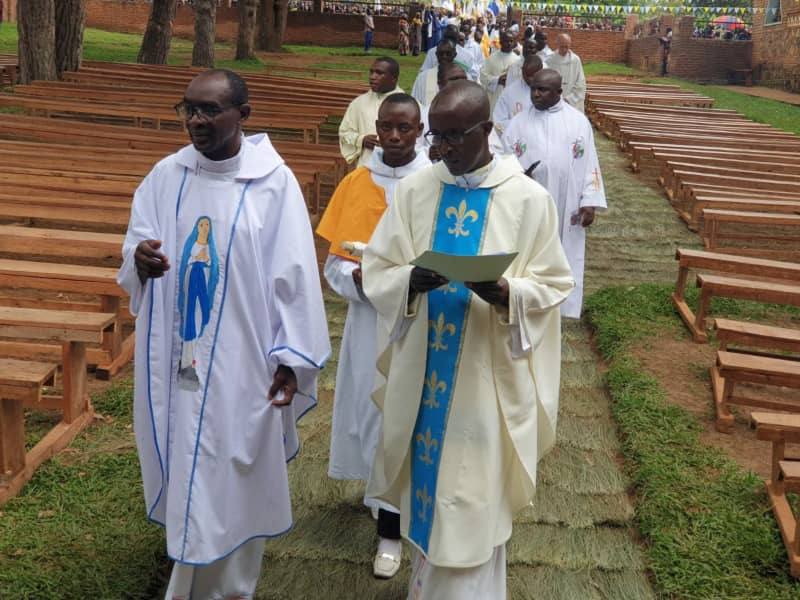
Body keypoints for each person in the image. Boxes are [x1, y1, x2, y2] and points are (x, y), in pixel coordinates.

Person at [117, 69, 331, 600]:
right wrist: (139, 261)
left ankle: (231, 588)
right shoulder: (167, 175)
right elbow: (137, 242)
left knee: (235, 465)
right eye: (188, 109)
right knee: (188, 454)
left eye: (210, 110)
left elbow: (296, 276)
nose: (196, 120)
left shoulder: (272, 183)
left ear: (244, 114)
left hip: (243, 361)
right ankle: (188, 575)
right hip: (177, 356)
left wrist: (292, 361)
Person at [362, 80, 574, 599]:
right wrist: (409, 281)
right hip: (423, 374)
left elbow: (552, 284)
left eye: (456, 136)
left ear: (487, 130)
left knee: (473, 505)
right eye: (438, 136)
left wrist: (506, 293)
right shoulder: (416, 189)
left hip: (486, 380)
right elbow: (379, 265)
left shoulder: (527, 199)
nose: (444, 148)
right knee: (429, 499)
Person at [318, 94, 430, 581]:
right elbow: (335, 264)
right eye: (387, 128)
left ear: (420, 129)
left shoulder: (435, 186)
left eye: (405, 129)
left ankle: (396, 524)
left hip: (421, 321)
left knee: (412, 418)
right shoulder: (355, 183)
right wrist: (356, 281)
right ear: (377, 129)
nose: (395, 137)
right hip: (370, 322)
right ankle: (382, 502)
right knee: (373, 413)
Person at [503, 69, 606, 318]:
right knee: (529, 249)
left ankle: (564, 306)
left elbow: (589, 161)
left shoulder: (578, 121)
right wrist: (515, 175)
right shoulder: (518, 122)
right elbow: (503, 157)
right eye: (533, 88)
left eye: (543, 90)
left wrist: (589, 202)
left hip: (566, 199)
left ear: (559, 92)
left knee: (564, 249)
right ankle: (526, 299)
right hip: (528, 199)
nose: (535, 94)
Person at [339, 57, 403, 167]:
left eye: (379, 73)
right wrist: (362, 140)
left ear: (394, 78)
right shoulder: (358, 103)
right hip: (367, 167)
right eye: (371, 72)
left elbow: (419, 141)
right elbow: (344, 133)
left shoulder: (408, 105)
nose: (372, 77)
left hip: (399, 168)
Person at [418, 62, 469, 160]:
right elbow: (412, 147)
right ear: (440, 84)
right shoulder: (424, 114)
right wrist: (428, 152)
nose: (460, 84)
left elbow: (494, 147)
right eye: (454, 79)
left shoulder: (475, 112)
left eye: (463, 79)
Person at [492, 54, 542, 137]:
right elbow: (499, 120)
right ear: (522, 70)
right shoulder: (509, 92)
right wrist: (521, 128)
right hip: (516, 141)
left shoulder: (549, 90)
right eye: (527, 75)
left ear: (541, 70)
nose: (530, 79)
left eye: (533, 75)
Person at [479, 29, 521, 111]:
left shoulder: (517, 60)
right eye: (506, 41)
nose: (509, 43)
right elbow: (483, 76)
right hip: (495, 96)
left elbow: (520, 80)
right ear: (500, 42)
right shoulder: (491, 59)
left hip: (511, 97)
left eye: (511, 41)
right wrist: (497, 80)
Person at [411, 39, 461, 106]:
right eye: (441, 54)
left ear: (454, 54)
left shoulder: (463, 77)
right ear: (436, 55)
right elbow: (415, 103)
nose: (444, 56)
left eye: (448, 53)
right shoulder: (423, 77)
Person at [545, 34, 586, 112]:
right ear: (557, 44)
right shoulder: (549, 61)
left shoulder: (575, 60)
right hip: (554, 102)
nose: (564, 50)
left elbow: (581, 82)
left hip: (572, 103)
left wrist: (569, 99)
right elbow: (546, 82)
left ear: (570, 45)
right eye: (561, 47)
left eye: (566, 47)